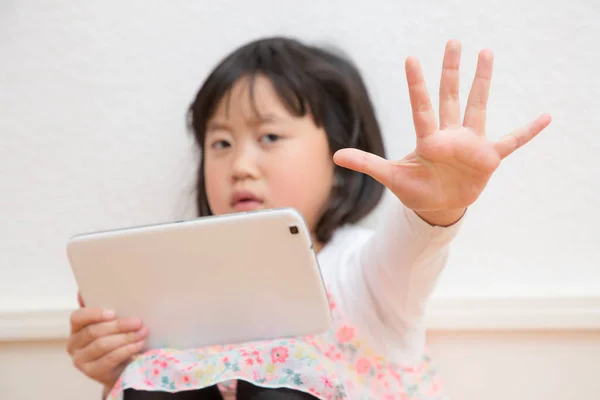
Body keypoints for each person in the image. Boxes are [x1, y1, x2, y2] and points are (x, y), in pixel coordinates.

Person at [66, 36, 551, 399]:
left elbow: (414, 248)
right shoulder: (175, 284)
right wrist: (115, 364)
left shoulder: (361, 270)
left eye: (270, 137)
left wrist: (439, 205)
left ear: (338, 155)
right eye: (221, 143)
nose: (240, 165)